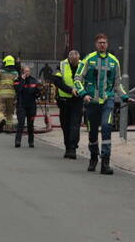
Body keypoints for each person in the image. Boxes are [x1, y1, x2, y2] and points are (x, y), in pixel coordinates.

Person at [77, 33, 123, 175]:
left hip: (107, 102)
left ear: (107, 44)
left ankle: (105, 162)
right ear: (96, 44)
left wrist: (125, 96)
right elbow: (77, 79)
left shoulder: (114, 61)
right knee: (92, 132)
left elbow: (118, 84)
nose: (102, 45)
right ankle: (93, 158)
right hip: (91, 102)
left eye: (104, 42)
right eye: (100, 42)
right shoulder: (88, 59)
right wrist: (84, 94)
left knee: (106, 127)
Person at [51, 49, 83, 159]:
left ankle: (72, 148)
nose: (75, 63)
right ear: (69, 58)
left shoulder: (83, 65)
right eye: (73, 61)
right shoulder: (62, 65)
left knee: (75, 124)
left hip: (78, 100)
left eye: (76, 61)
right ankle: (68, 147)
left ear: (79, 58)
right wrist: (70, 90)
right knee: (65, 125)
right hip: (64, 100)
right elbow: (57, 81)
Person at [12, 63, 43, 147]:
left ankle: (31, 142)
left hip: (31, 106)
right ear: (22, 72)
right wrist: (22, 80)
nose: (27, 73)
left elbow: (37, 94)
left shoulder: (34, 80)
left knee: (30, 124)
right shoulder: (17, 80)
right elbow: (18, 90)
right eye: (25, 71)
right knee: (21, 123)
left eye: (28, 71)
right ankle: (18, 141)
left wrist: (39, 91)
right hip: (21, 105)